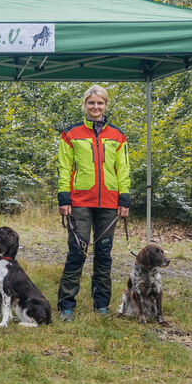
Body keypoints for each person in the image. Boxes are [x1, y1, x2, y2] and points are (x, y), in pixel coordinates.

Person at [56, 84, 131, 321]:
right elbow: (64, 167)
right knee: (77, 252)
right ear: (85, 105)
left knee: (104, 254)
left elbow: (123, 169)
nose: (95, 107)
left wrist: (124, 198)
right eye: (91, 103)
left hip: (109, 203)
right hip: (79, 202)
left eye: (100, 103)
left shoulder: (117, 135)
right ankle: (66, 305)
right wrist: (64, 197)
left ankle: (101, 305)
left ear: (105, 105)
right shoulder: (71, 133)